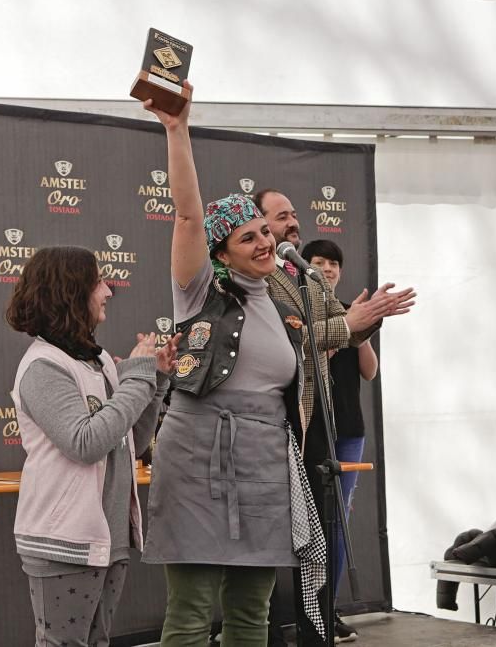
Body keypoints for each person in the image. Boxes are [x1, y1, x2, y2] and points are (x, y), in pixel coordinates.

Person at [141, 82, 326, 646]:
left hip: (265, 457)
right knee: (193, 608)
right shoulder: (198, 295)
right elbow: (190, 217)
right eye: (247, 238)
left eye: (264, 231)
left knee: (254, 609)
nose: (264, 242)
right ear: (221, 254)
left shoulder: (285, 295)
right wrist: (177, 129)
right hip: (199, 452)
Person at [255, 188, 415, 645]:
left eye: (294, 215)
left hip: (318, 425)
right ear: (261, 225)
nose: (293, 222)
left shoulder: (308, 277)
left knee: (321, 533)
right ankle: (261, 629)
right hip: (276, 421)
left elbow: (343, 333)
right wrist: (349, 321)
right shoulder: (259, 279)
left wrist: (369, 316)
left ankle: (317, 626)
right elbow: (290, 342)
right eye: (281, 216)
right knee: (272, 536)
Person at [6, 246, 178, 647]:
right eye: (99, 281)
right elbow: (85, 443)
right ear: (71, 292)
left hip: (107, 537)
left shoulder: (97, 360)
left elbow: (129, 443)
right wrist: (138, 376)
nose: (108, 291)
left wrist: (156, 383)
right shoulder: (43, 366)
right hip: (63, 541)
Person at [301, 239, 378, 642]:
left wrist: (358, 328)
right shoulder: (299, 313)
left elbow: (369, 372)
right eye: (318, 262)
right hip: (312, 431)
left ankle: (327, 608)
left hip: (349, 432)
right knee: (308, 524)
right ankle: (305, 612)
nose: (327, 269)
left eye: (333, 263)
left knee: (338, 523)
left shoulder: (352, 311)